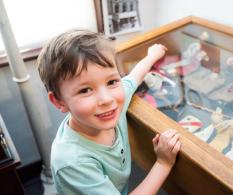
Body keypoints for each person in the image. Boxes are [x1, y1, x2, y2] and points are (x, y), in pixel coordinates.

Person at [37, 29, 181, 195]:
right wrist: (163, 164)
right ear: (59, 101)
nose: (107, 99)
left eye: (112, 81)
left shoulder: (113, 106)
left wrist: (152, 56)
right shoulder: (72, 162)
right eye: (85, 90)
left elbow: (134, 76)